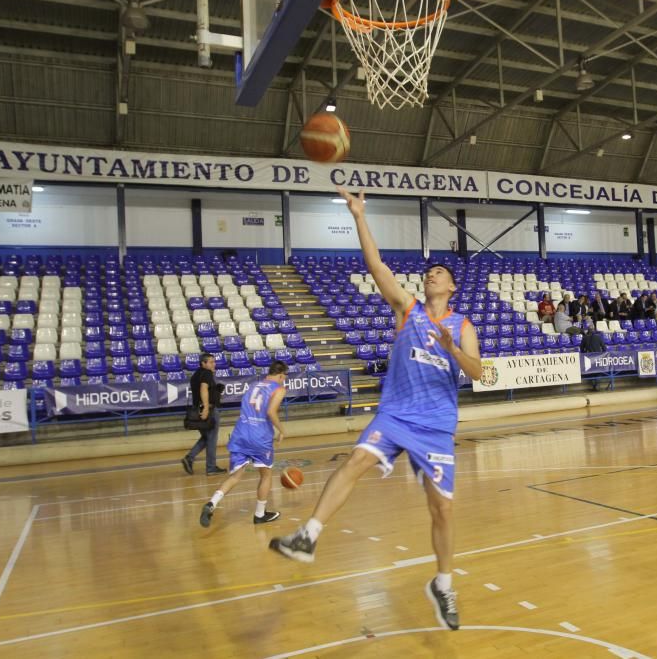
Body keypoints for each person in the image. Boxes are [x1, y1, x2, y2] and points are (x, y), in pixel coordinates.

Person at [269, 187, 482, 632]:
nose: (431, 275)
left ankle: (443, 583)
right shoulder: (407, 309)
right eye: (428, 271)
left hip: (436, 426)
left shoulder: (462, 326)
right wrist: (359, 216)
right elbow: (376, 266)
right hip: (396, 413)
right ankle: (308, 535)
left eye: (439, 271)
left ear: (452, 286)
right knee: (356, 460)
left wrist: (451, 351)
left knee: (442, 510)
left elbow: (477, 372)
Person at [199, 360, 288, 528]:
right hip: (260, 437)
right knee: (266, 475)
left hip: (241, 433)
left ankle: (212, 503)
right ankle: (260, 514)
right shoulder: (279, 389)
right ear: (281, 374)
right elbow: (270, 411)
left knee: (235, 477)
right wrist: (281, 430)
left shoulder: (253, 385)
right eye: (284, 378)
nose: (283, 381)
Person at [181, 353, 227, 476]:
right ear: (203, 363)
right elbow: (203, 388)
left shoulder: (196, 374)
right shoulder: (206, 373)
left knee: (206, 438)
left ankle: (189, 458)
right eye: (211, 362)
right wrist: (206, 408)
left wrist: (215, 390)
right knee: (211, 439)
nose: (214, 364)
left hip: (197, 409)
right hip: (209, 410)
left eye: (214, 361)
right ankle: (211, 467)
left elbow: (203, 389)